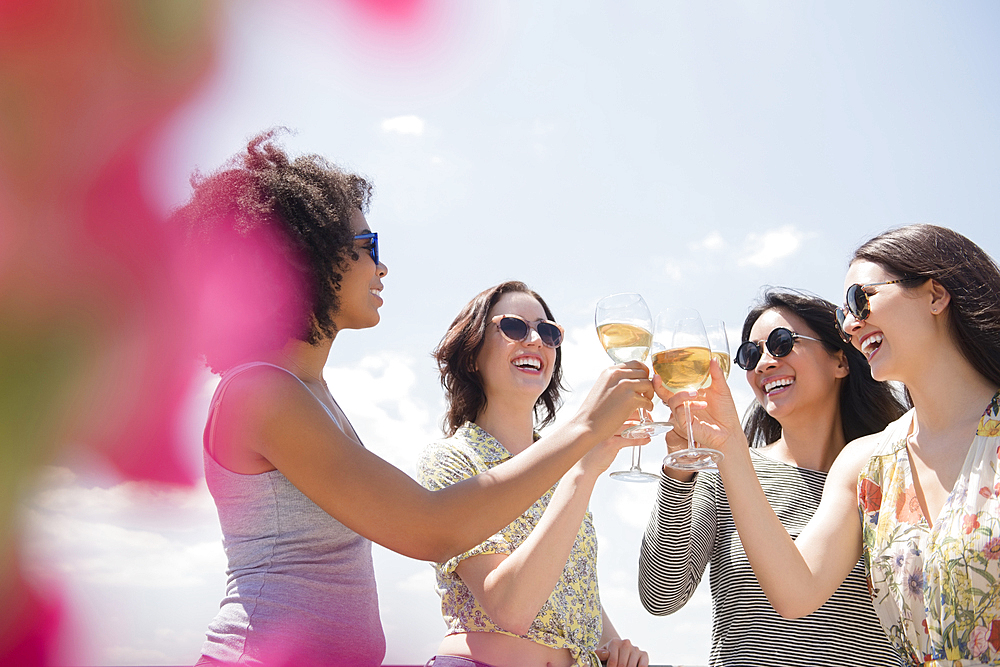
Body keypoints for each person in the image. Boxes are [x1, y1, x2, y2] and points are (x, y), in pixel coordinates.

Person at [175, 131, 654, 667]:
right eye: (368, 246)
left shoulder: (310, 393)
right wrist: (583, 431)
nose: (382, 267)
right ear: (303, 255)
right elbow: (430, 527)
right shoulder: (261, 393)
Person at [659, 224, 1000, 666]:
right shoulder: (867, 463)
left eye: (861, 299)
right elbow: (795, 591)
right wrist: (727, 447)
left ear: (935, 295)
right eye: (843, 315)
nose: (852, 324)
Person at [638, 288, 905, 666]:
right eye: (750, 355)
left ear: (841, 362)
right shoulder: (728, 471)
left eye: (781, 343)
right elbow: (661, 596)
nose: (762, 363)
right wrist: (679, 471)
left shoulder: (889, 472)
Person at [417, 281, 650, 667]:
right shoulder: (451, 459)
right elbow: (509, 607)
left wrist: (616, 648)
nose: (535, 340)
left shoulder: (563, 465)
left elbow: (572, 589)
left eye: (548, 331)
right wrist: (583, 469)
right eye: (513, 327)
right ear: (472, 355)